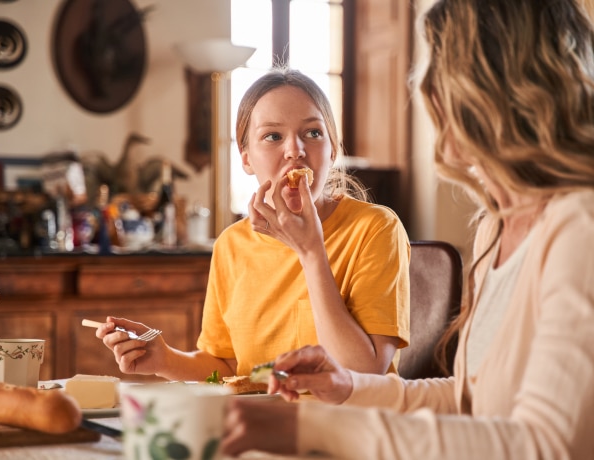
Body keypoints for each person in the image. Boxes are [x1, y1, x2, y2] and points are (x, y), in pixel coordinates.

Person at [220, 0, 594, 458]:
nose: (427, 89)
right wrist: (347, 388)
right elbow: (469, 400)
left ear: (498, 89)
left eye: (442, 69)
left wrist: (319, 429)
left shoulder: (581, 227)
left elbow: (546, 445)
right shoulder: (496, 226)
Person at [94, 68, 411, 382]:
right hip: (260, 425)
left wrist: (311, 251)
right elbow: (229, 369)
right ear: (245, 158)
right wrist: (164, 359)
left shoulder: (376, 229)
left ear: (333, 149)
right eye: (273, 136)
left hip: (345, 427)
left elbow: (364, 373)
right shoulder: (231, 245)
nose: (295, 151)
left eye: (313, 133)